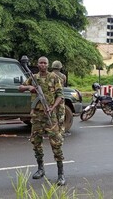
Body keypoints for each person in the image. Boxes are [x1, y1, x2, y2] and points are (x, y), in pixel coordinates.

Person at [19, 56, 66, 186]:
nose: (43, 65)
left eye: (45, 63)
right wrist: (29, 88)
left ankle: (61, 174)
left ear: (48, 64)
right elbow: (20, 88)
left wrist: (52, 107)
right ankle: (40, 169)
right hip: (37, 117)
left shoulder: (54, 77)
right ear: (38, 64)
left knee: (56, 144)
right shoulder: (33, 78)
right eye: (41, 63)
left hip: (50, 116)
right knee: (36, 143)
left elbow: (60, 95)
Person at [51, 60, 68, 136]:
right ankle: (61, 132)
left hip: (52, 98)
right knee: (61, 115)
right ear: (60, 67)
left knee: (52, 115)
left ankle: (53, 131)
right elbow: (63, 86)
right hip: (60, 98)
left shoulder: (50, 75)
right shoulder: (63, 76)